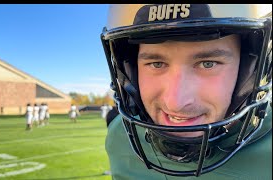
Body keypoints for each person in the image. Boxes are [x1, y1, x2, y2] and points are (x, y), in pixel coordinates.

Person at [101, 4, 272, 179]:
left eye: (208, 63)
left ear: (252, 69)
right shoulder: (119, 137)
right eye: (156, 64)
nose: (176, 103)